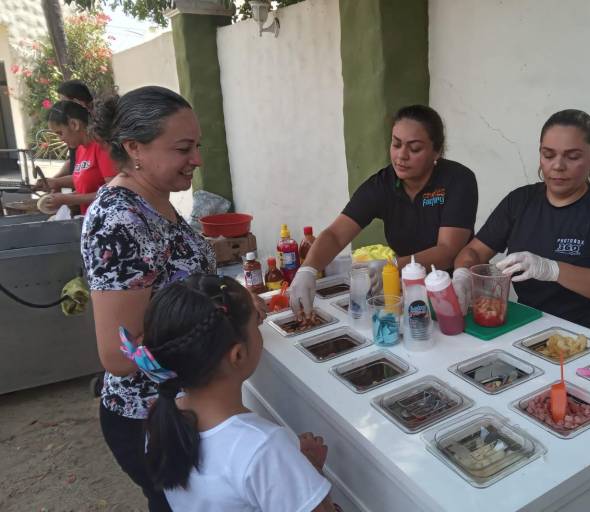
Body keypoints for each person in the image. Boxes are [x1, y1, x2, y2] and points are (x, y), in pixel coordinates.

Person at [81, 86, 220, 511]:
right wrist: (217, 318)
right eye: (183, 148)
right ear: (134, 148)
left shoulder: (155, 200)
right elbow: (121, 355)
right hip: (149, 417)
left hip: (180, 405)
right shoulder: (120, 220)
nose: (196, 159)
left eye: (196, 146)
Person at [120, 274, 336, 511]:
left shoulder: (163, 418)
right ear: (238, 355)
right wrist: (310, 469)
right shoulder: (265, 448)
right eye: (256, 324)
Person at [452, 109, 590, 340]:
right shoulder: (520, 201)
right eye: (548, 155)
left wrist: (551, 269)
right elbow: (474, 251)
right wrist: (462, 275)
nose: (558, 166)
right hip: (530, 329)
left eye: (572, 157)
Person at [290, 105, 479, 315]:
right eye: (396, 144)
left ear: (437, 151)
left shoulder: (458, 180)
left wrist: (393, 265)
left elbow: (447, 251)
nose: (401, 155)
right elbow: (335, 234)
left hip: (456, 291)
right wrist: (308, 269)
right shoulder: (381, 185)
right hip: (409, 290)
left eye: (414, 148)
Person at [36, 100, 116, 214]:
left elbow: (114, 191)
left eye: (60, 133)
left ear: (74, 124)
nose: (60, 139)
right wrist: (56, 182)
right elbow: (82, 179)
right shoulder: (80, 149)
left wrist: (68, 199)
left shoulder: (101, 147)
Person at [54, 79, 94, 177]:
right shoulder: (72, 130)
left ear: (77, 102)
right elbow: (72, 161)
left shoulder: (99, 133)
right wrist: (55, 180)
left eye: (63, 103)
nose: (61, 108)